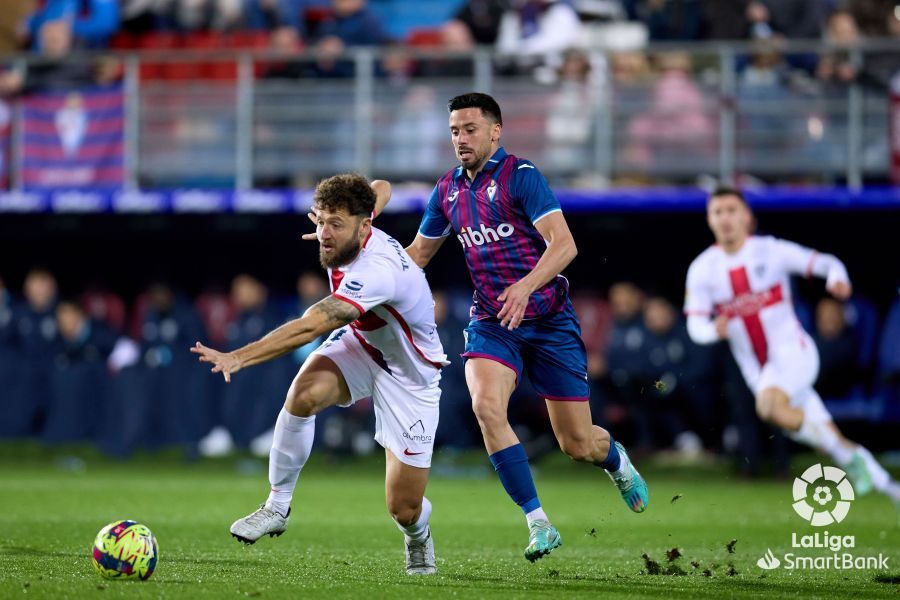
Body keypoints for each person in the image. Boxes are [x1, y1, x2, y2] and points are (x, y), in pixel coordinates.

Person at [367, 93, 648, 562]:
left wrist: (525, 285)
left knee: (578, 444)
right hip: (493, 321)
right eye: (454, 130)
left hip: (550, 321)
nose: (460, 139)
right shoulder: (447, 191)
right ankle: (538, 523)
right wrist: (364, 248)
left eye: (470, 129)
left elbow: (564, 245)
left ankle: (616, 460)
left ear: (496, 131)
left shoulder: (522, 177)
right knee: (486, 405)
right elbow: (415, 258)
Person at [191, 175, 447, 576]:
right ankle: (277, 505)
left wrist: (240, 357)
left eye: (335, 225)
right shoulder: (359, 220)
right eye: (321, 222)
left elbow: (313, 326)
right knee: (303, 393)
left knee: (404, 507)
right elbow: (380, 186)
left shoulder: (376, 270)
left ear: (365, 228)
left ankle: (418, 536)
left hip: (409, 373)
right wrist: (339, 220)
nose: (324, 234)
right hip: (364, 345)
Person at [684, 187, 900, 503]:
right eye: (718, 212)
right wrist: (710, 331)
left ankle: (833, 445)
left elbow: (824, 262)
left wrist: (836, 276)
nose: (725, 218)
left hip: (794, 354)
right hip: (758, 371)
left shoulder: (770, 251)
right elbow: (695, 325)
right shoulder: (702, 269)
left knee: (768, 407)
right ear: (709, 220)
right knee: (828, 435)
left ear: (748, 217)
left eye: (732, 210)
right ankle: (888, 487)